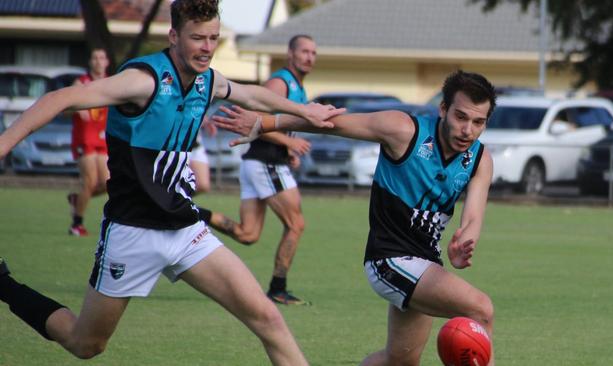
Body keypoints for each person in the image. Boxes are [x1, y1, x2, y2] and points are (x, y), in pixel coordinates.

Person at [0, 0, 341, 363]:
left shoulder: (207, 81)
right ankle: (4, 284)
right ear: (174, 36)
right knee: (86, 344)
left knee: (268, 319)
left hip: (185, 230)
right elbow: (60, 97)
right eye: (198, 38)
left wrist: (305, 110)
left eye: (213, 38)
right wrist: (4, 144)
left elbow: (252, 93)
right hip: (132, 231)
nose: (207, 47)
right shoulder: (142, 80)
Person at [212, 70, 497, 365]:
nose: (468, 130)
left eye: (479, 122)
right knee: (481, 310)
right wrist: (265, 122)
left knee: (398, 361)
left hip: (427, 265)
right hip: (390, 259)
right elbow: (332, 124)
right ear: (443, 109)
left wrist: (464, 241)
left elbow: (473, 217)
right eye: (461, 117)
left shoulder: (479, 159)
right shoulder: (403, 130)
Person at [201, 35, 316, 305]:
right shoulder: (280, 82)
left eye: (313, 52)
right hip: (265, 163)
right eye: (304, 51)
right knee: (296, 224)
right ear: (290, 54)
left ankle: (193, 213)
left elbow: (277, 124)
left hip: (263, 163)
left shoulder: (298, 86)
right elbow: (257, 123)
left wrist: (288, 149)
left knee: (247, 234)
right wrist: (288, 141)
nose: (310, 57)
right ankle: (278, 288)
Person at [67, 48, 111, 237]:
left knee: (108, 183)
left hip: (102, 138)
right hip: (84, 138)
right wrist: (76, 108)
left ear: (107, 62)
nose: (98, 61)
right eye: (95, 58)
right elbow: (65, 107)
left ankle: (77, 201)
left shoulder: (111, 83)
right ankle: (76, 225)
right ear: (90, 62)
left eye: (102, 58)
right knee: (90, 182)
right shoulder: (81, 83)